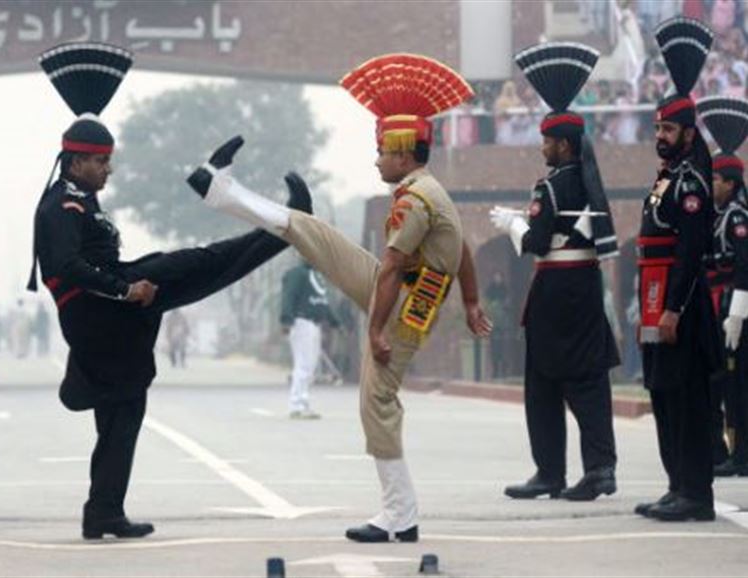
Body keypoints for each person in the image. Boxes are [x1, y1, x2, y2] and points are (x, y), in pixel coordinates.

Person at [189, 52, 492, 543]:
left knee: (376, 399)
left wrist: (374, 330)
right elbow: (462, 249)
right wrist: (474, 302)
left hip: (406, 307)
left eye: (381, 150)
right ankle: (221, 190)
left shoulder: (416, 200)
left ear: (402, 151)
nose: (376, 159)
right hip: (400, 288)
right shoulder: (429, 190)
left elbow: (394, 266)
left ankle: (400, 514)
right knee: (314, 232)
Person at [28, 42, 307, 541]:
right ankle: (281, 226)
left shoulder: (78, 199)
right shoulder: (60, 207)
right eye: (101, 163)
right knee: (196, 265)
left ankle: (103, 512)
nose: (108, 170)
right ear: (76, 163)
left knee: (123, 410)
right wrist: (124, 289)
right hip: (101, 313)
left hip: (103, 316)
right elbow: (66, 267)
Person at [491, 42, 620, 502]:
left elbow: (537, 243)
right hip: (585, 286)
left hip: (556, 291)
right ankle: (601, 468)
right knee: (589, 382)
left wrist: (513, 224)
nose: (542, 145)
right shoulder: (586, 181)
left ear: (562, 144)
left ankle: (550, 471)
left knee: (543, 384)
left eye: (547, 139)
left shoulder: (552, 185)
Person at [635, 16, 721, 522]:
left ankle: (697, 494)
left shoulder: (690, 181)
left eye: (668, 128)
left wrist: (671, 310)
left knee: (688, 401)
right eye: (657, 128)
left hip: (679, 307)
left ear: (688, 132)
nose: (660, 136)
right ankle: (675, 485)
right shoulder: (668, 176)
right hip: (655, 301)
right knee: (664, 396)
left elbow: (689, 252)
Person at [699, 95, 748, 477]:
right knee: (725, 378)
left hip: (734, 302)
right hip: (718, 299)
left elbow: (743, 263)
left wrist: (738, 310)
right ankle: (730, 450)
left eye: (715, 178)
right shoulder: (719, 214)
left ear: (730, 183)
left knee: (739, 380)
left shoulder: (737, 217)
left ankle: (743, 452)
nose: (710, 184)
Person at [280, 260, 338, 418]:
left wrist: (333, 321)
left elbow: (322, 303)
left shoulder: (317, 276)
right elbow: (289, 296)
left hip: (314, 324)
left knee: (310, 366)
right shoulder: (297, 274)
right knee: (303, 365)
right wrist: (286, 319)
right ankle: (296, 405)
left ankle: (303, 403)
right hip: (301, 322)